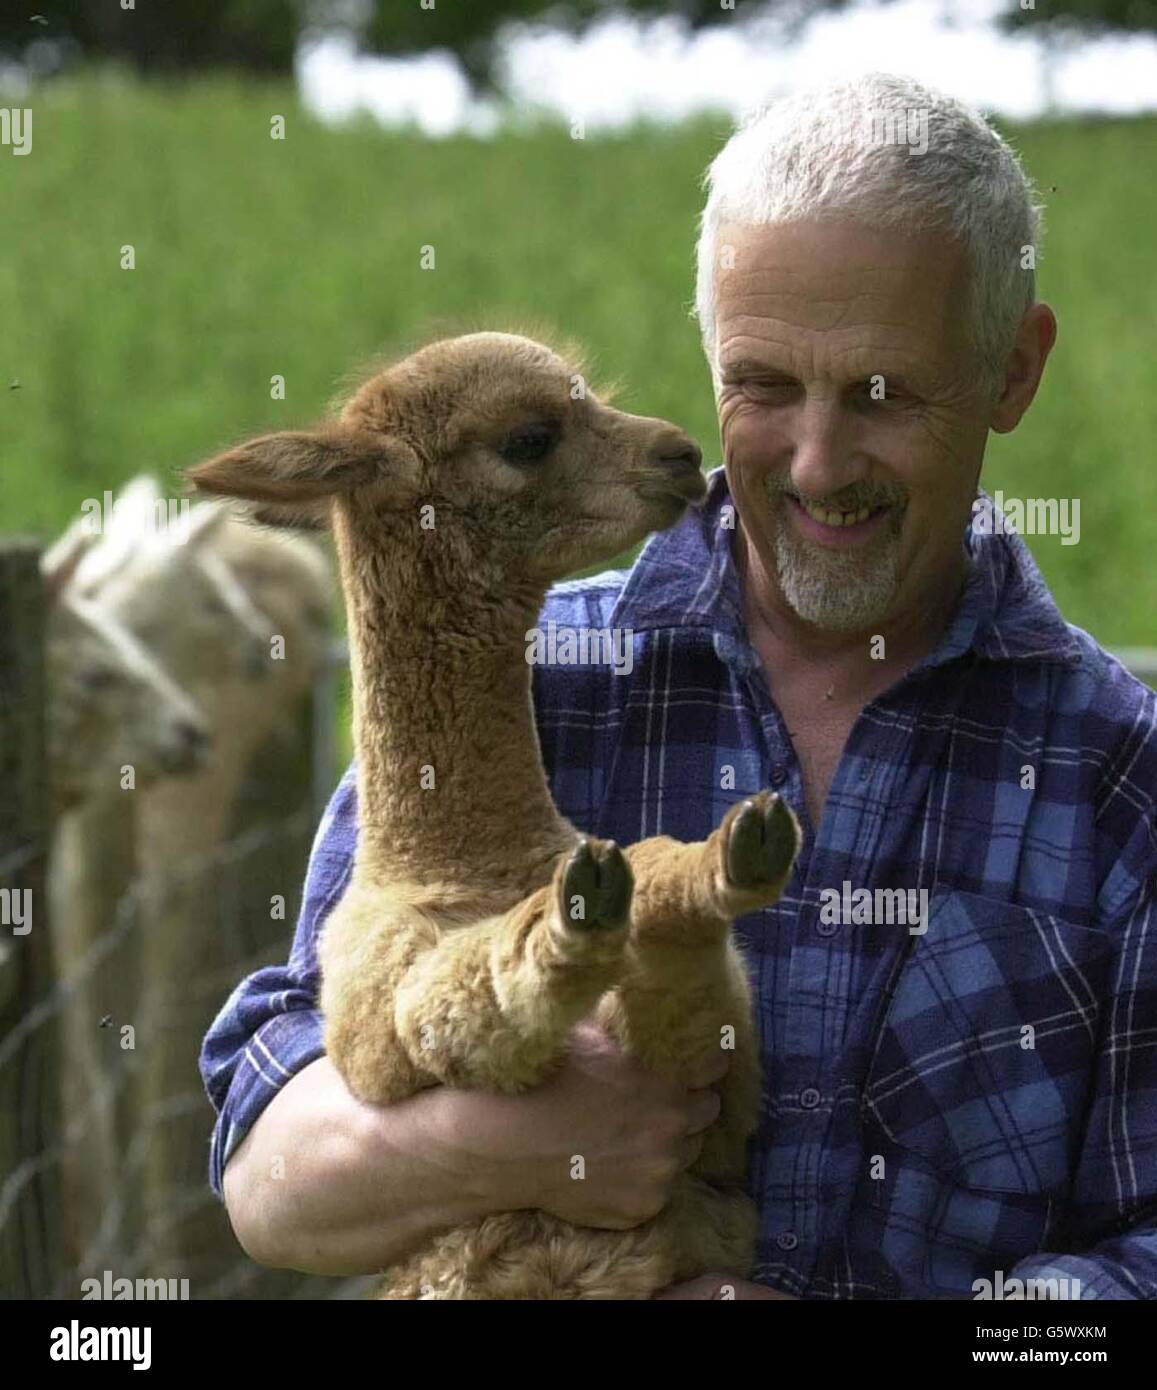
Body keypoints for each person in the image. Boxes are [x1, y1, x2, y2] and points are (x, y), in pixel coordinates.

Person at [201, 72, 1157, 1299]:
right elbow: (264, 1160)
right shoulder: (513, 685)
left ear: (1010, 372)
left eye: (880, 393)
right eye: (761, 385)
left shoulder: (1114, 782)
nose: (815, 463)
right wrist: (511, 1147)